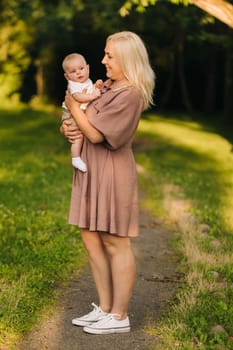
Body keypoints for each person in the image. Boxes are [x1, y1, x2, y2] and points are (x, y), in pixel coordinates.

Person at [60, 31, 155, 334]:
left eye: (109, 55)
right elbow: (85, 124)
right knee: (90, 238)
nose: (103, 60)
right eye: (104, 53)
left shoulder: (131, 94)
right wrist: (70, 128)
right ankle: (103, 308)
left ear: (127, 58)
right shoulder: (107, 86)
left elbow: (99, 135)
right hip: (91, 170)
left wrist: (73, 108)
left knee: (116, 242)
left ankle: (119, 316)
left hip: (112, 173)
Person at [62, 53, 103, 172]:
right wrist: (92, 96)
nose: (79, 72)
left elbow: (90, 90)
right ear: (67, 76)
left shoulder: (86, 81)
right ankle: (75, 158)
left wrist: (97, 86)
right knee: (78, 136)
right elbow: (78, 97)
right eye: (73, 71)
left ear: (88, 68)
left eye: (81, 68)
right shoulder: (73, 85)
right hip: (70, 113)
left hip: (78, 111)